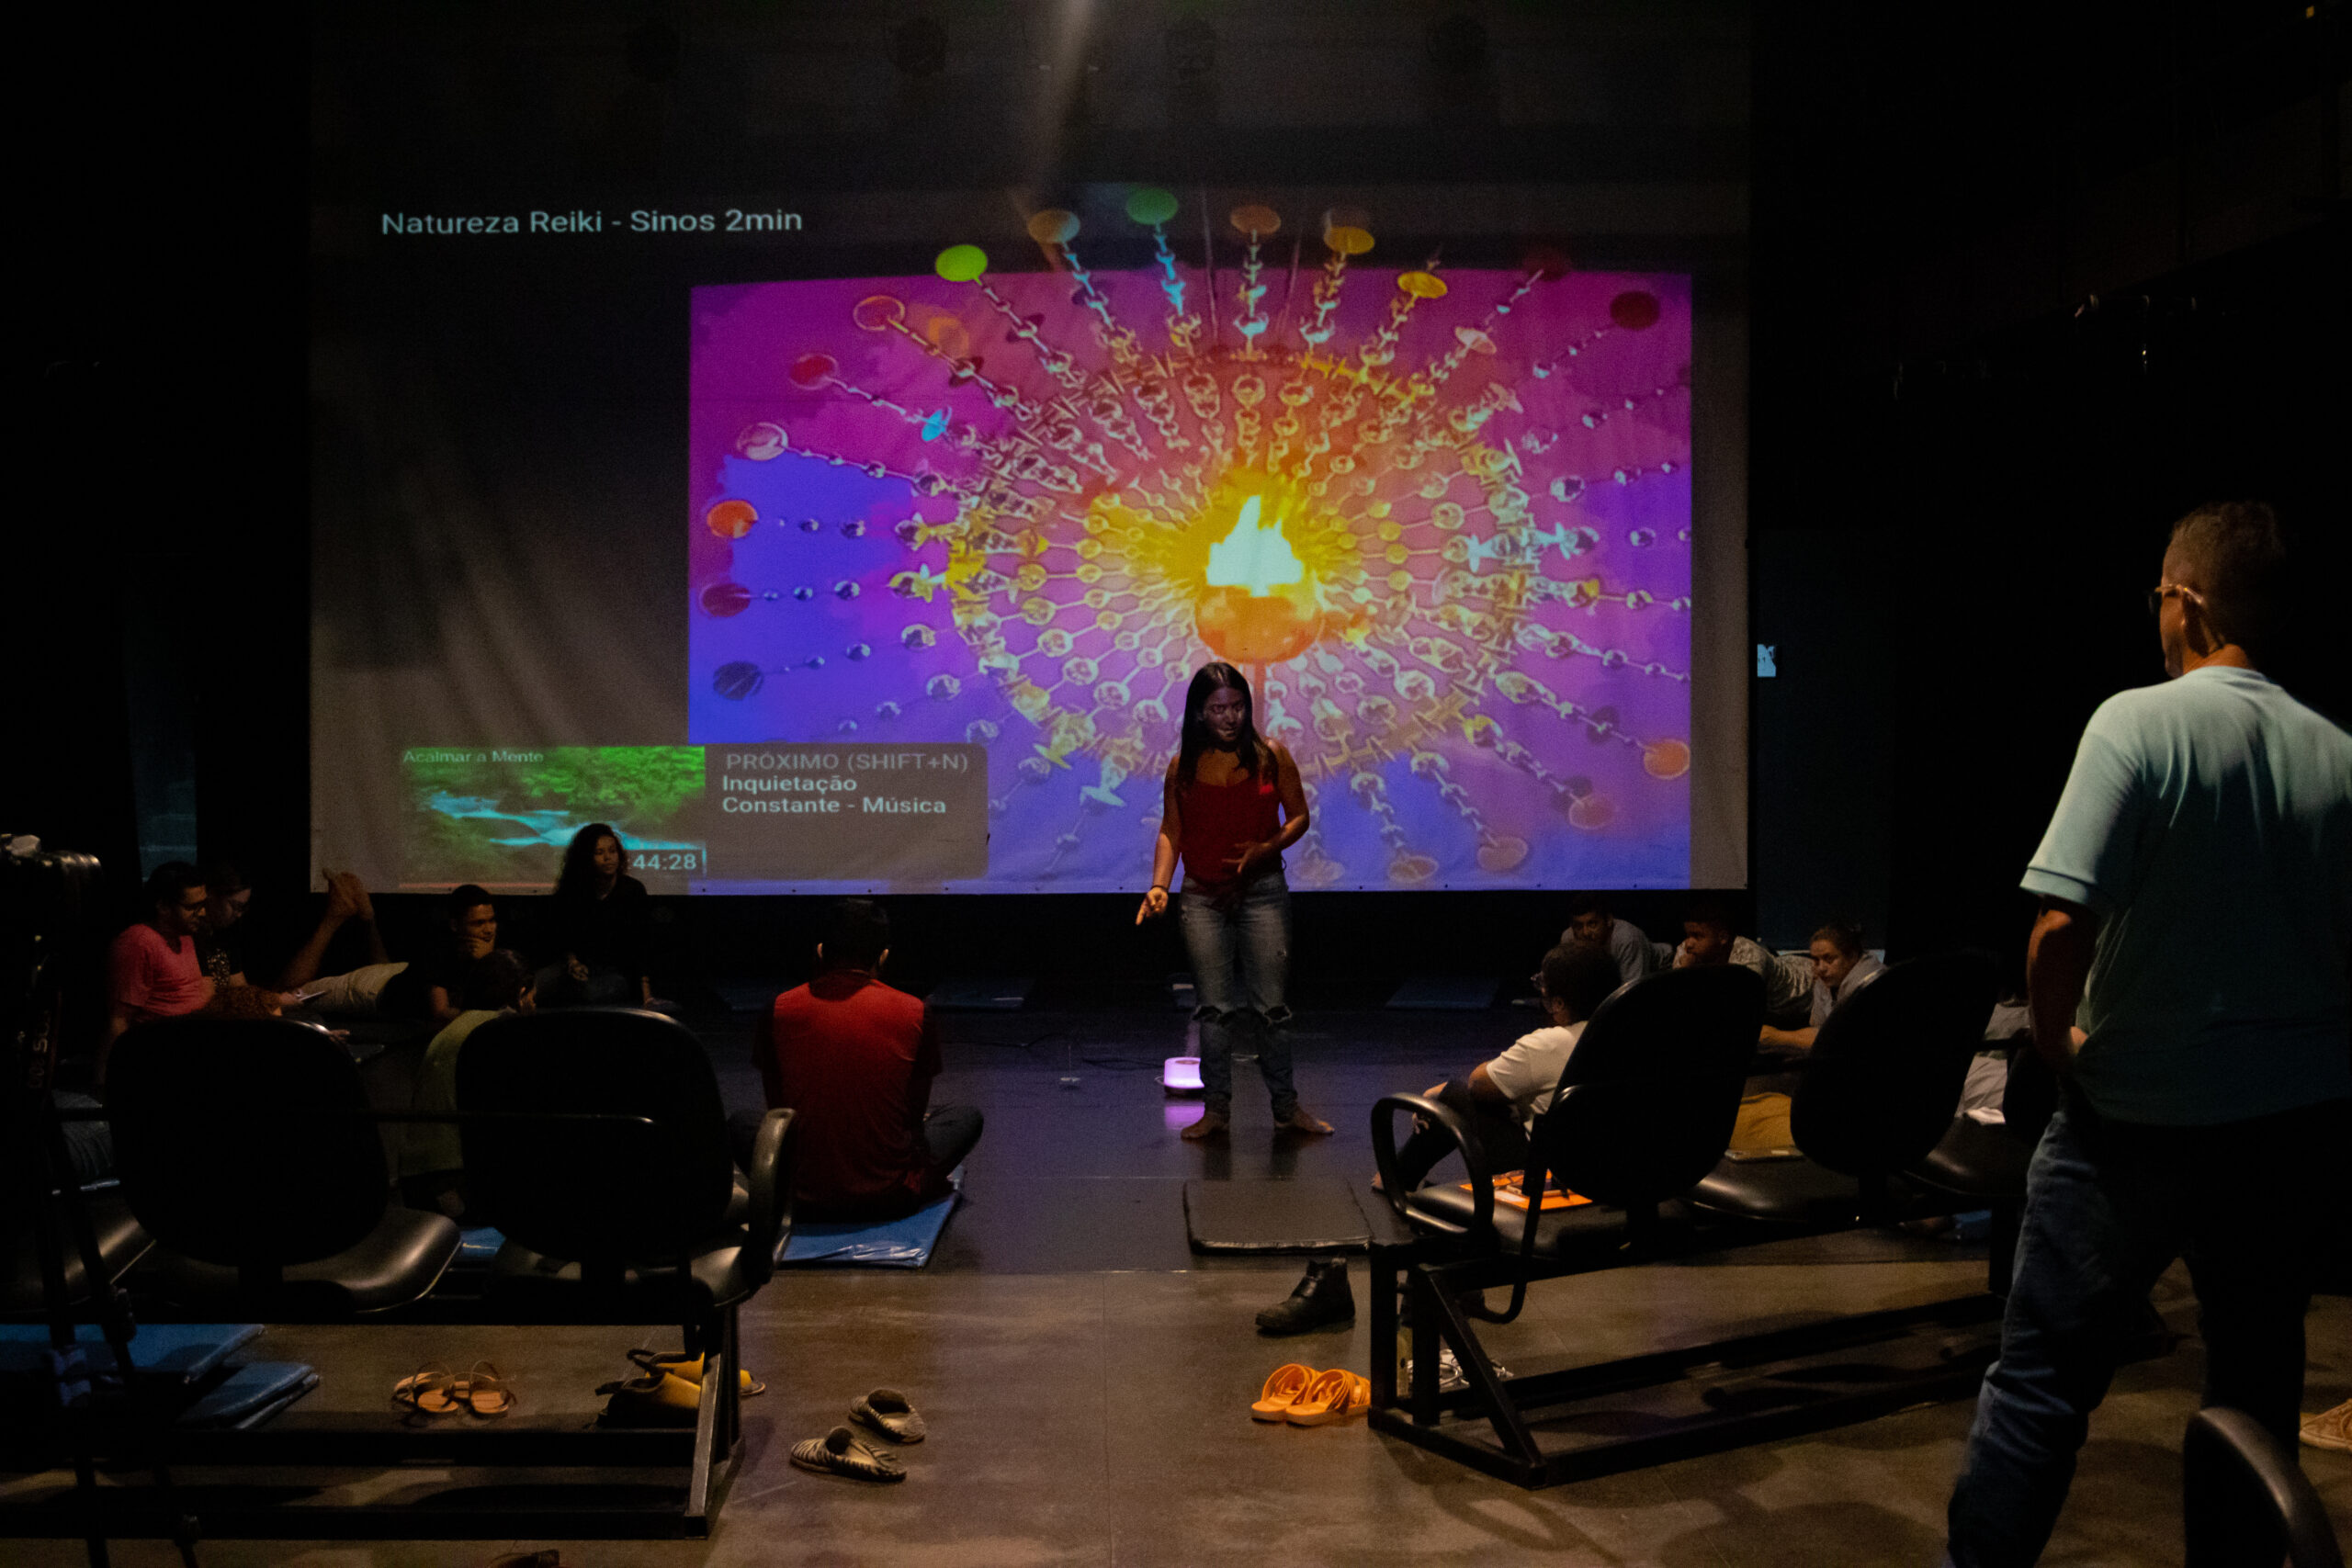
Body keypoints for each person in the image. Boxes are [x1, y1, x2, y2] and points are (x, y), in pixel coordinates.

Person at [1941, 502, 2352, 1568]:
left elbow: (2058, 929)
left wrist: (2055, 1044)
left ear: (2187, 601)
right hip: (2289, 1128)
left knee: (2040, 1385)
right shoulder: (2339, 754)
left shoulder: (2137, 722)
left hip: (2130, 1120)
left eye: (2158, 596)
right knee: (2253, 1388)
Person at [1135, 662, 1330, 1140]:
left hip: (1263, 894)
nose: (1230, 717)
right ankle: (1217, 1110)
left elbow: (1299, 817)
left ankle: (1286, 1107)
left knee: (1271, 1009)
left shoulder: (1271, 756)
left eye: (1238, 707)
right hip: (1202, 896)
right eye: (1219, 709)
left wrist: (1266, 847)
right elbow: (1171, 830)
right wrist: (1159, 885)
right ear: (1200, 713)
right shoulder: (1182, 767)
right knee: (1215, 1010)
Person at [753, 899, 982, 1220]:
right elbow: (912, 1116)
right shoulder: (915, 1011)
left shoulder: (778, 1008)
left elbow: (777, 1109)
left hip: (800, 1195)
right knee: (964, 1118)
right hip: (889, 1195)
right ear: (883, 956)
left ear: (820, 951)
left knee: (743, 1125)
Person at [1385, 942, 1625, 1192]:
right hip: (1612, 1170)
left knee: (1456, 1094)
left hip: (1550, 1174)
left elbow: (1477, 1084)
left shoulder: (1551, 1043)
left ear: (1559, 1004)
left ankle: (1397, 1177)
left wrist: (1439, 1092)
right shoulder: (1629, 1038)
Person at [401, 949, 535, 1211]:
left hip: (415, 1182)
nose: (534, 1008)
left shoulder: (456, 1026)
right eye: (533, 999)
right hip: (455, 1183)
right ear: (521, 995)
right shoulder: (498, 1029)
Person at [100, 862, 217, 1085]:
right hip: (159, 1061)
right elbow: (118, 1019)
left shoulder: (186, 936)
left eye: (203, 905)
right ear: (163, 906)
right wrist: (105, 1084)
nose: (202, 913)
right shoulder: (138, 942)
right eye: (192, 907)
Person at [536, 823, 654, 1009]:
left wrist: (646, 994)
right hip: (578, 967)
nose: (608, 858)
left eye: (612, 851)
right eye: (599, 853)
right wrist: (572, 962)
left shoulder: (632, 890)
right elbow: (563, 935)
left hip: (617, 973)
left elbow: (642, 944)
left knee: (588, 992)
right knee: (534, 984)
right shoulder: (574, 891)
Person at [1672, 896, 1812, 1030]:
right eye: (1688, 935)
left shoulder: (1749, 957)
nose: (1689, 943)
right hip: (1772, 998)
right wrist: (1685, 972)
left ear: (1723, 937)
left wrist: (1689, 977)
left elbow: (1735, 1009)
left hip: (1805, 987)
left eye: (1697, 936)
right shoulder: (1685, 952)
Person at [378, 885, 499, 1027]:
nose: (489, 930)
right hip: (376, 992)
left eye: (492, 921)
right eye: (479, 923)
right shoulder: (435, 950)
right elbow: (441, 1014)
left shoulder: (490, 944)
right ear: (455, 925)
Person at [1757, 919, 1883, 1052]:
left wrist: (1777, 1037)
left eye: (1829, 959)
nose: (1821, 968)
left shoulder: (1868, 987)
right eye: (1816, 960)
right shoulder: (1827, 981)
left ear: (1852, 956)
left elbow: (1841, 1042)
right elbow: (1819, 1030)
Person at [1560, 893, 1658, 992]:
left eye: (1592, 924)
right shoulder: (1569, 940)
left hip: (1661, 974)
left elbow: (1634, 992)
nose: (1585, 933)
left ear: (1608, 920)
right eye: (1578, 926)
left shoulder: (1628, 939)